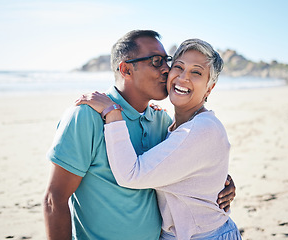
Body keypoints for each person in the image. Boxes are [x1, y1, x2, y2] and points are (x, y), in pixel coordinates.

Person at [43, 30, 236, 240]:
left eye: (166, 60)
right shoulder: (86, 115)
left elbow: (188, 161)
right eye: (156, 61)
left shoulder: (161, 121)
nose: (167, 70)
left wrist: (218, 180)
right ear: (126, 69)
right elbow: (54, 200)